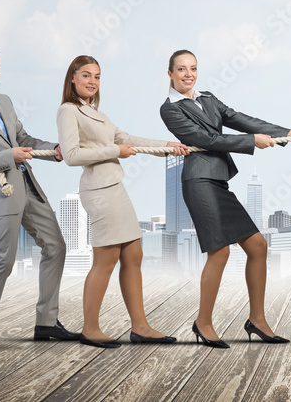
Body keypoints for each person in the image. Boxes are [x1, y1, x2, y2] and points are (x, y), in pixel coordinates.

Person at [159, 49, 291, 348]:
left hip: (218, 182)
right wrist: (250, 142)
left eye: (193, 68)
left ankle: (257, 320)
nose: (188, 74)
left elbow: (239, 119)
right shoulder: (169, 109)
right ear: (170, 74)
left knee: (258, 246)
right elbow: (206, 140)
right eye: (181, 69)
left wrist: (289, 133)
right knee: (220, 252)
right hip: (199, 181)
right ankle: (202, 323)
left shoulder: (208, 98)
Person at [0, 44, 80, 352]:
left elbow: (22, 140)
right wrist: (8, 156)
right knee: (4, 260)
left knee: (56, 246)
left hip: (27, 186)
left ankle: (46, 322)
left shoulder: (4, 101)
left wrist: (54, 149)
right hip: (0, 192)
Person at [56, 55, 191, 348]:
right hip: (99, 190)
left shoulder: (98, 114)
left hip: (115, 188)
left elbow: (127, 138)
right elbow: (71, 155)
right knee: (105, 260)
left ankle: (140, 326)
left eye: (97, 76)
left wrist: (167, 146)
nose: (92, 81)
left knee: (133, 256)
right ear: (72, 79)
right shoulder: (68, 111)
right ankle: (90, 328)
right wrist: (114, 150)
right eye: (86, 75)